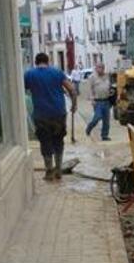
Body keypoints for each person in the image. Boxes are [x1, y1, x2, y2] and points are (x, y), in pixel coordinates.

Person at [24, 53, 77, 181]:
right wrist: (74, 105)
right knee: (58, 140)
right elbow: (72, 90)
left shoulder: (29, 74)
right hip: (58, 113)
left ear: (36, 62)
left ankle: (49, 171)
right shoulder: (57, 72)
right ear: (48, 61)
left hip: (41, 114)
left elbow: (22, 90)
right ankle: (58, 170)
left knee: (45, 141)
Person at [85, 63, 112, 141]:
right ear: (96, 68)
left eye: (102, 67)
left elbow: (110, 87)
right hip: (97, 101)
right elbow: (89, 89)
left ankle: (104, 135)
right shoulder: (92, 77)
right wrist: (92, 99)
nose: (101, 69)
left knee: (106, 120)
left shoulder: (107, 76)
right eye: (99, 67)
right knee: (97, 117)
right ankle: (89, 127)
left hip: (106, 100)